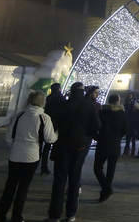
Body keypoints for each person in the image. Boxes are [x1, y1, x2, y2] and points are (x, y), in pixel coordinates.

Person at [0, 91, 57, 222]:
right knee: (23, 188)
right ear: (43, 102)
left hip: (15, 155)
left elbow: (8, 137)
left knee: (10, 186)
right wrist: (56, 134)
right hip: (32, 156)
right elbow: (50, 139)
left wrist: (15, 146)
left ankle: (1, 215)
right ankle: (17, 216)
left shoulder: (19, 115)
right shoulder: (44, 118)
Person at [47, 81, 101, 222]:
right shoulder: (89, 106)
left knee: (59, 180)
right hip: (80, 147)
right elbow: (96, 125)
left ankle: (54, 215)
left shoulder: (64, 105)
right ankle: (71, 214)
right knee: (74, 179)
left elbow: (54, 123)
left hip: (63, 145)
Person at [94, 93, 127, 202]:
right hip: (115, 145)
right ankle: (106, 190)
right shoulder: (122, 114)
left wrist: (98, 137)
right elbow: (125, 129)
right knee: (110, 170)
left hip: (103, 143)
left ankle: (106, 190)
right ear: (118, 101)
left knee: (97, 168)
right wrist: (117, 137)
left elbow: (96, 126)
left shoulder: (102, 112)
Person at [41, 82, 64, 175]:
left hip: (47, 123)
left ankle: (44, 166)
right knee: (56, 146)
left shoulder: (48, 98)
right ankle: (56, 167)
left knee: (46, 146)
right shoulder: (61, 98)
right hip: (57, 124)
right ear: (59, 89)